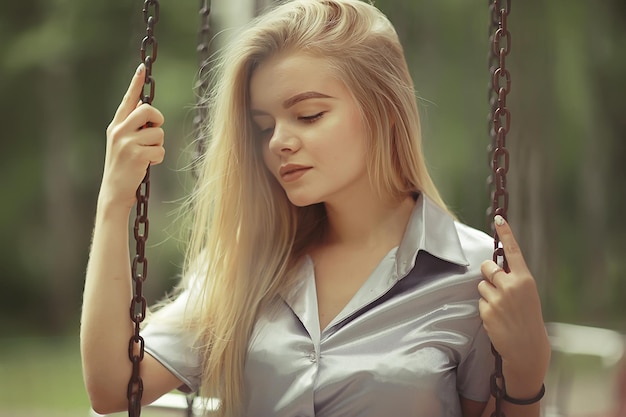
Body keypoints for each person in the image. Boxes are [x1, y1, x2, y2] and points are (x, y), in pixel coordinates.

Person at [80, 0, 551, 416]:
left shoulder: (474, 275)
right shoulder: (248, 264)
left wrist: (526, 373)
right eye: (265, 126)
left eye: (308, 115)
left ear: (385, 110)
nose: (279, 142)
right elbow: (113, 386)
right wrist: (114, 201)